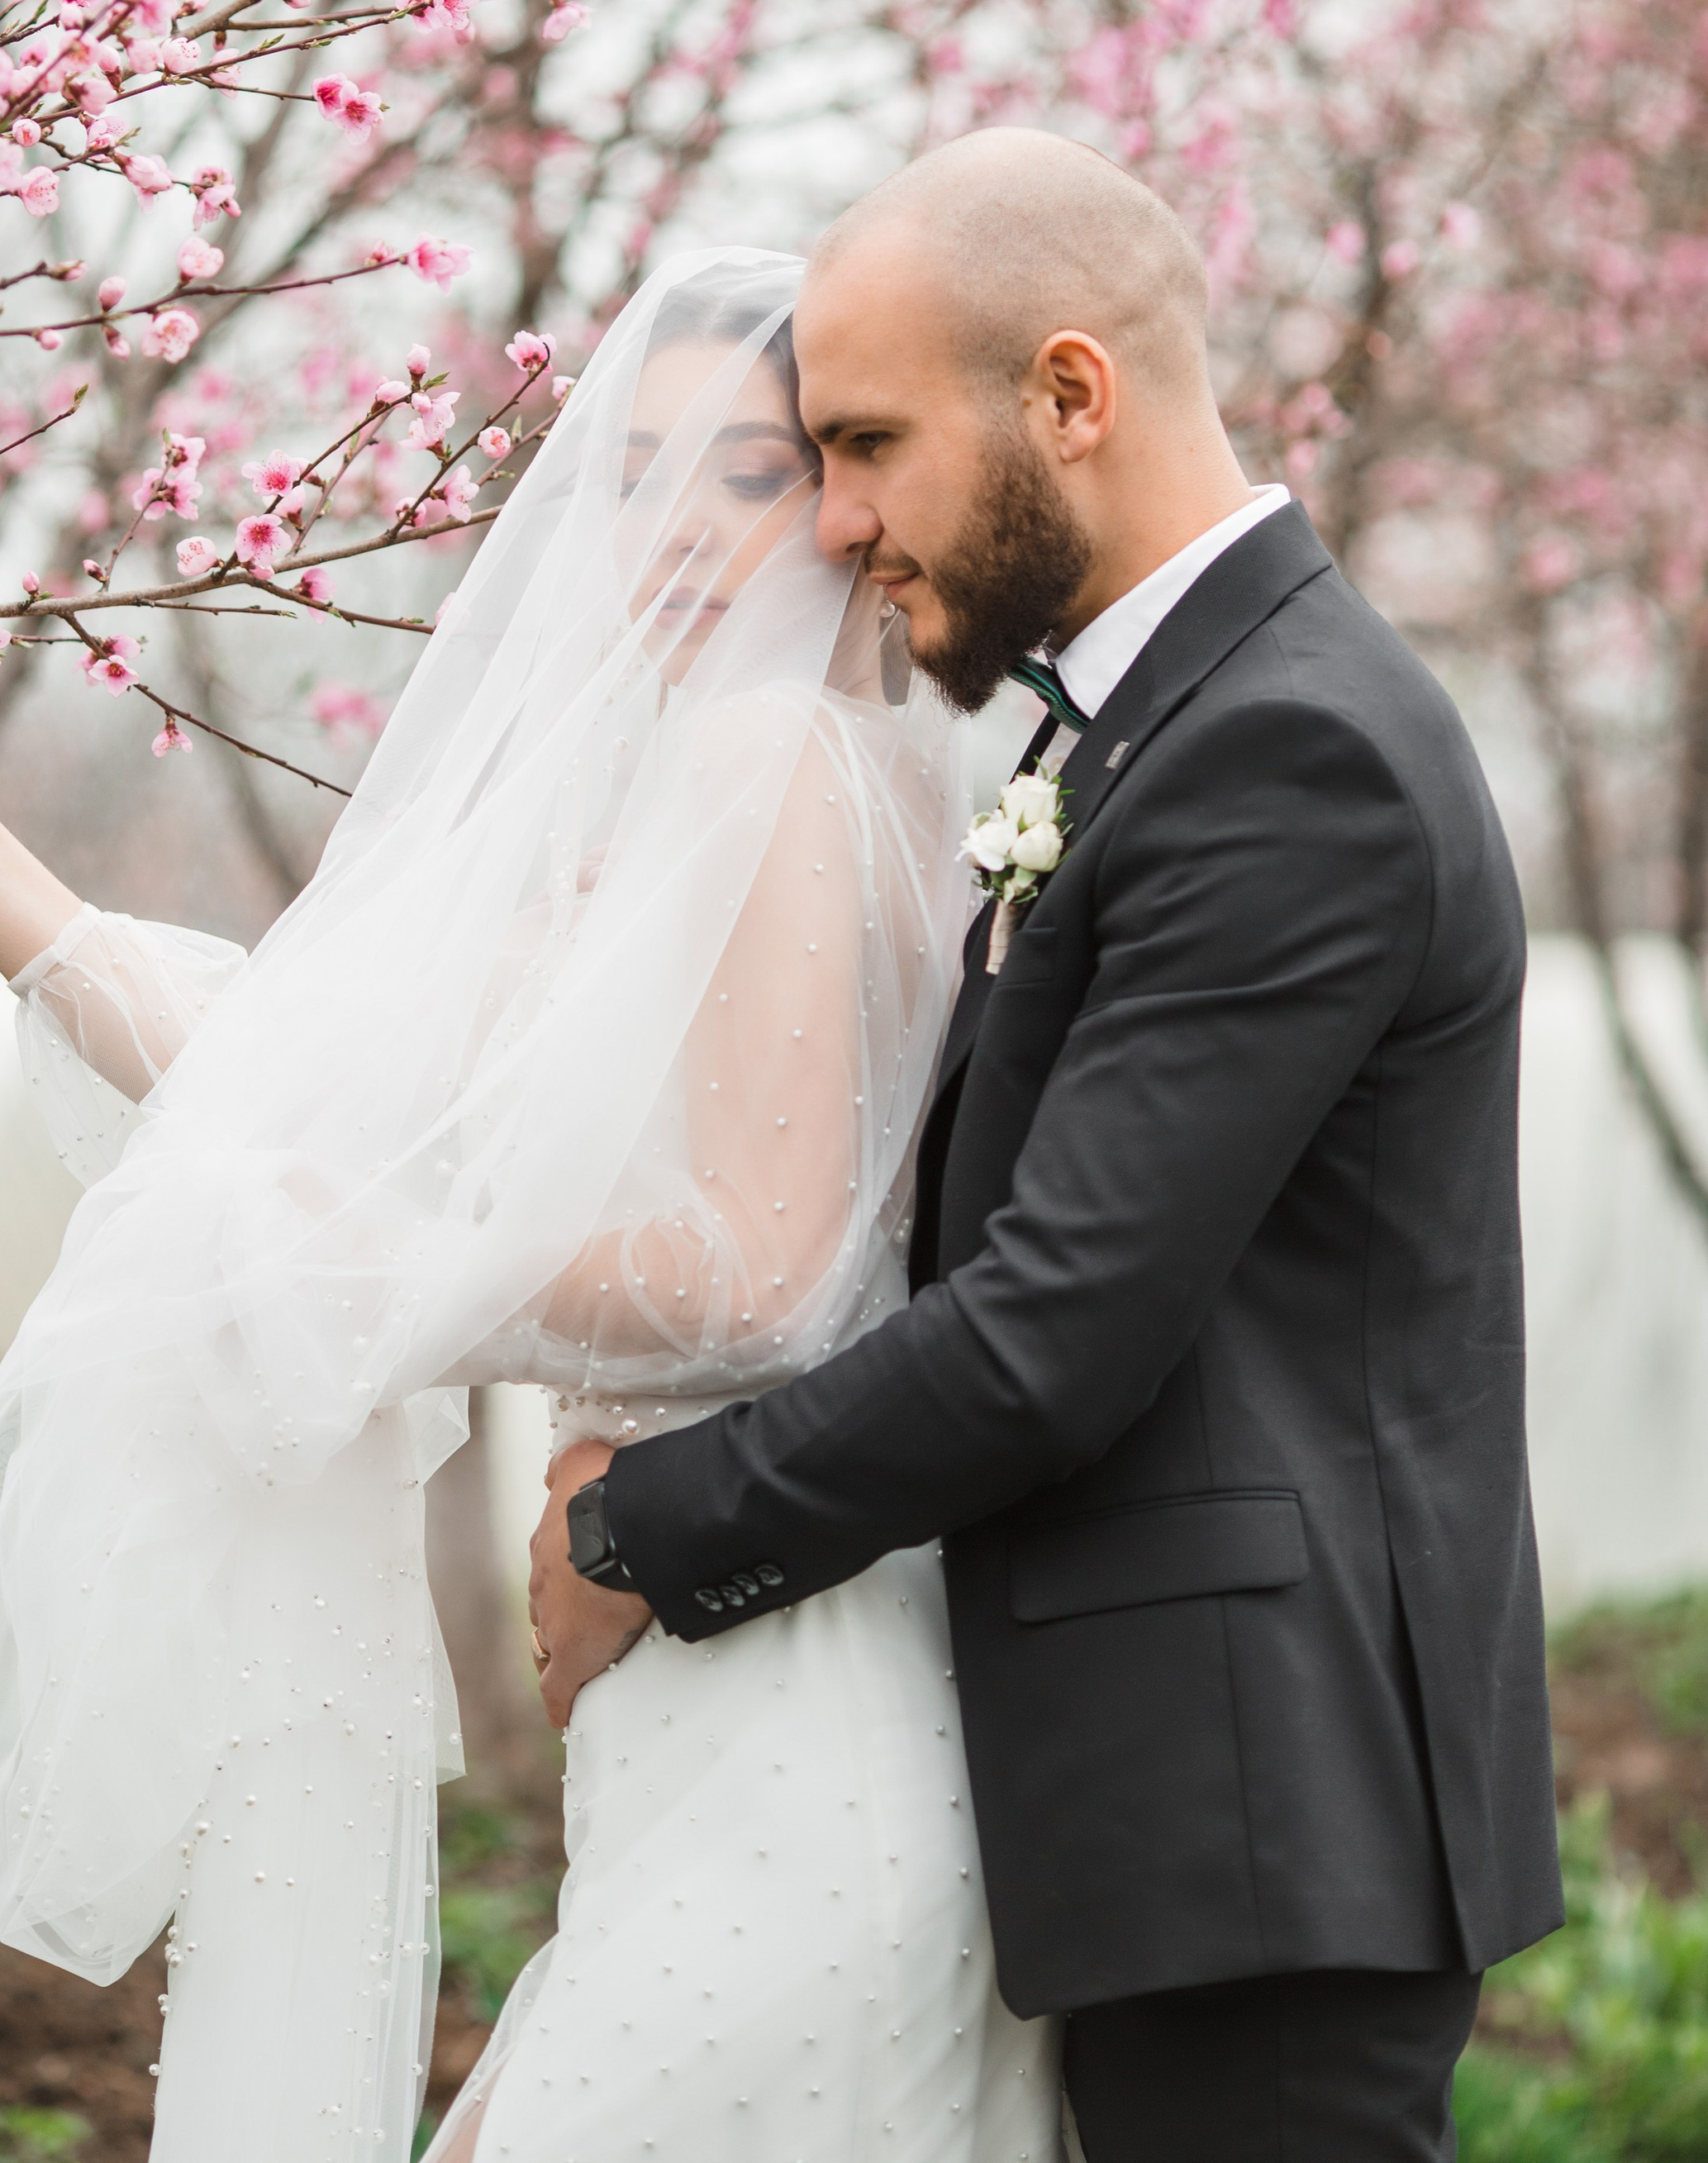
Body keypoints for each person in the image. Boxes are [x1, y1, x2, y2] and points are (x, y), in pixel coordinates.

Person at [0, 250, 1065, 2163]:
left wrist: (354, 1281)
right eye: (630, 475)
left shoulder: (766, 759)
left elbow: (760, 1284)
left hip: (797, 1702)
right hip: (730, 1694)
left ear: (859, 510)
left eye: (748, 476)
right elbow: (292, 1081)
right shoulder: (741, 800)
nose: (676, 532)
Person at [530, 129, 1564, 2163]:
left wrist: (632, 1526)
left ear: (1067, 398)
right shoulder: (1147, 724)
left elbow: (1045, 1337)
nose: (836, 519)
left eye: (866, 445)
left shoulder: (1287, 751)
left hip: (1264, 1825)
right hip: (1184, 1810)